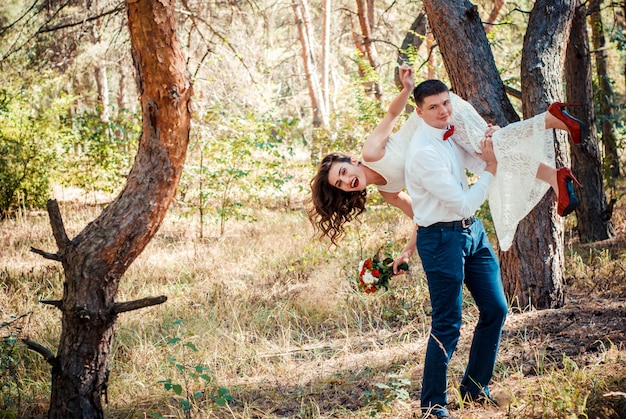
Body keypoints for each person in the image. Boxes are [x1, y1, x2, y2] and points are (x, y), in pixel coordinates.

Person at [308, 66, 584, 256]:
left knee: (492, 148)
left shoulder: (371, 153)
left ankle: (551, 121)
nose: (346, 180)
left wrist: (407, 88)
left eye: (343, 172)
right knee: (489, 159)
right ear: (344, 192)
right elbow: (421, 218)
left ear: (353, 161)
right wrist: (407, 250)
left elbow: (392, 114)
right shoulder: (388, 192)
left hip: (438, 116)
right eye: (340, 184)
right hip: (444, 141)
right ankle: (553, 175)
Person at [405, 79, 505, 419]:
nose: (443, 111)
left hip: (472, 233)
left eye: (445, 103)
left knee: (496, 309)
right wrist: (491, 169)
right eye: (433, 107)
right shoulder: (423, 153)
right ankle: (433, 405)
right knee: (448, 323)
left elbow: (477, 163)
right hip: (441, 240)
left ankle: (475, 389)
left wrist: (489, 147)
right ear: (419, 112)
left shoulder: (449, 131)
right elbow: (463, 203)